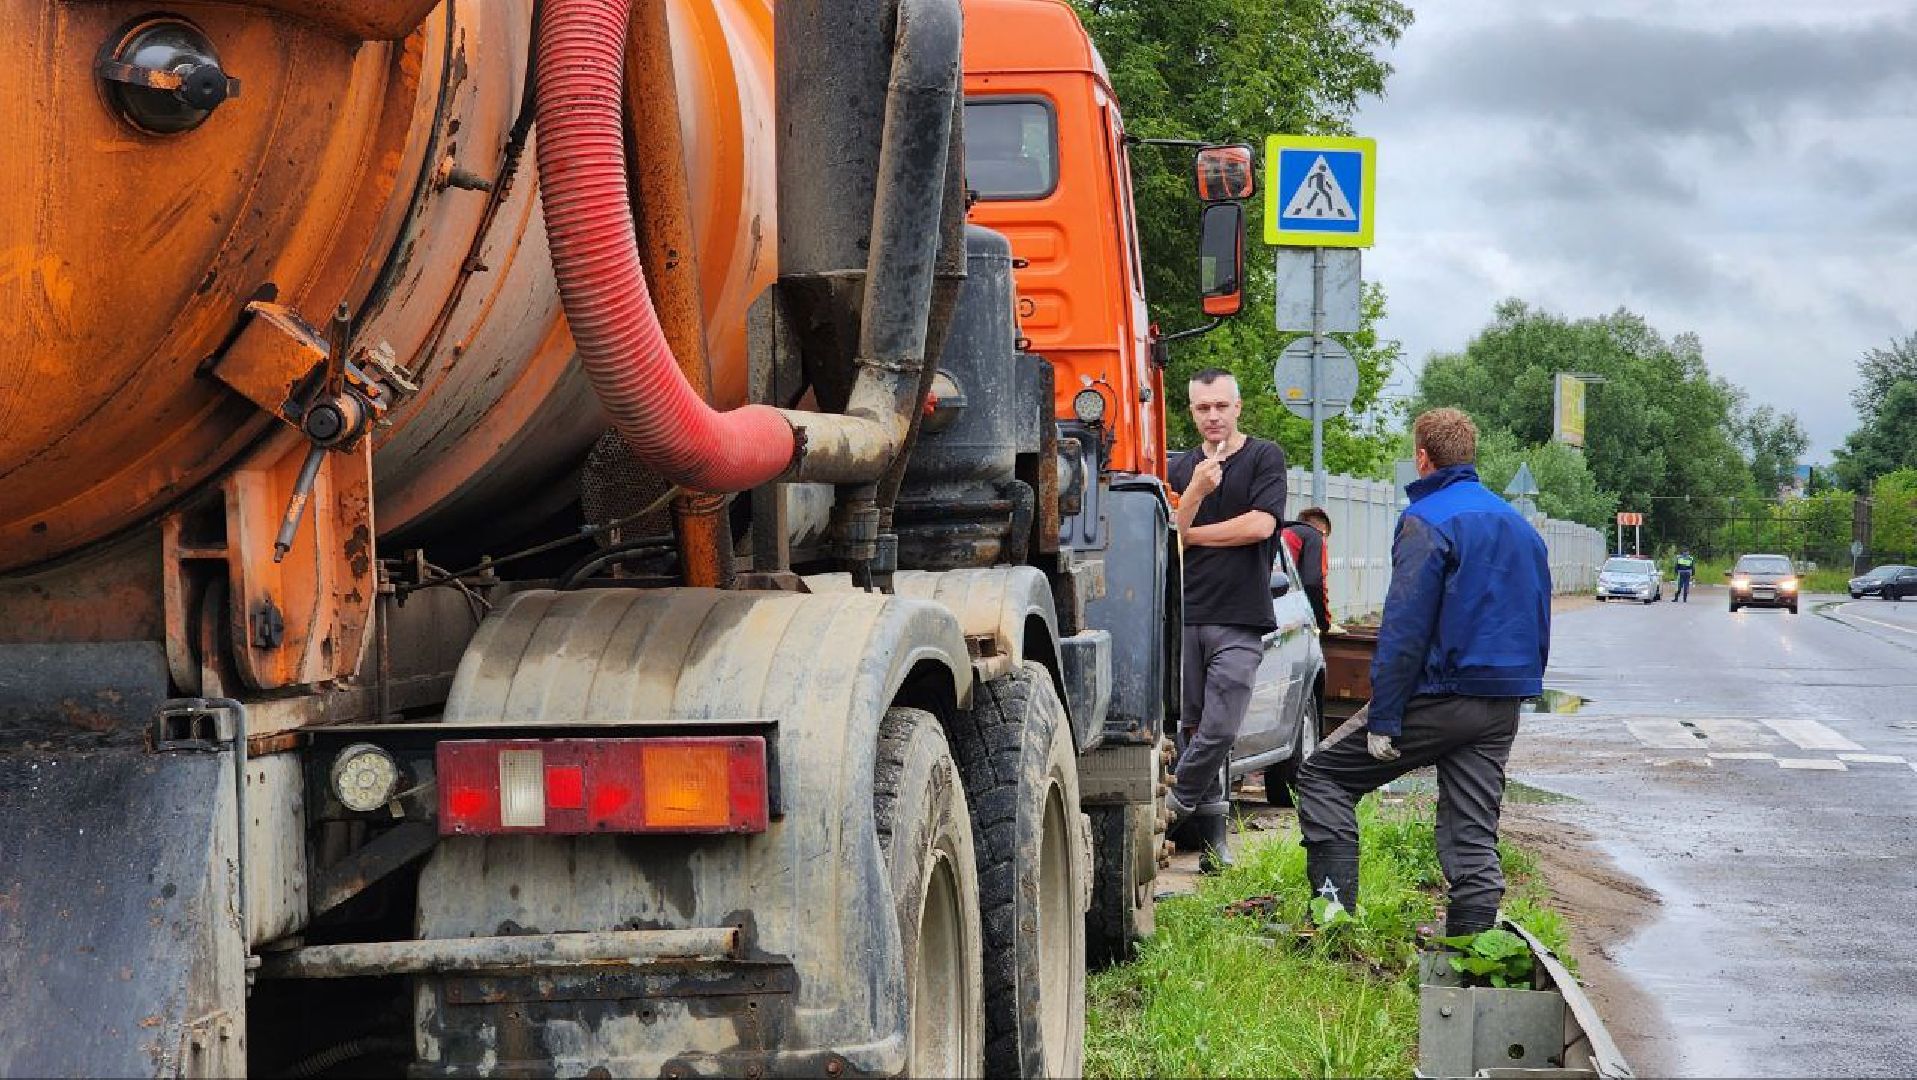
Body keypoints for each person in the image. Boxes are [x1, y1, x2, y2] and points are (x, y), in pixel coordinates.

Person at [1293, 408, 1551, 937]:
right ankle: (1470, 948)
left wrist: (1386, 716)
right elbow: (1538, 613)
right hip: (1501, 702)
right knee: (1471, 830)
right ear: (1470, 456)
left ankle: (1332, 920)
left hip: (1439, 695)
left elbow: (1405, 628)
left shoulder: (1427, 520)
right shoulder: (1520, 527)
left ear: (1422, 457)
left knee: (1322, 777)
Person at [1166, 368, 1289, 871]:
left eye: (1221, 406)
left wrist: (1194, 534)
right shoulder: (1178, 467)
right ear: (1192, 412)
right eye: (1202, 408)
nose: (1213, 416)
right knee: (1192, 730)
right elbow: (1167, 532)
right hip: (1187, 614)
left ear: (1238, 407)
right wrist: (1193, 491)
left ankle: (1174, 806)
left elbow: (1261, 525)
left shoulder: (1264, 457)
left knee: (1221, 726)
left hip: (1240, 616)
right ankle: (1215, 849)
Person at [1282, 508, 1335, 634]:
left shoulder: (1280, 533)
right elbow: (1313, 583)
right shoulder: (1314, 536)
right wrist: (1323, 623)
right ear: (1323, 530)